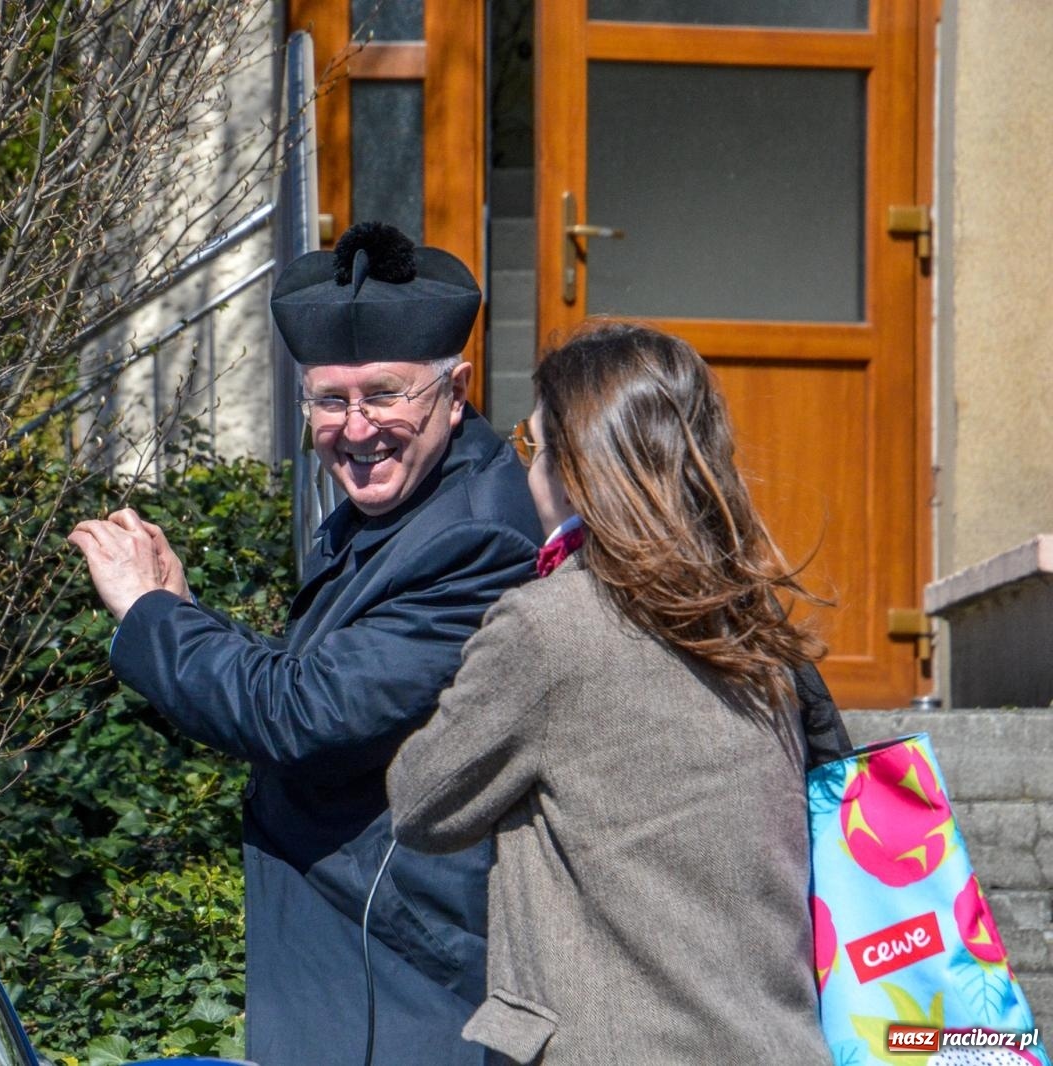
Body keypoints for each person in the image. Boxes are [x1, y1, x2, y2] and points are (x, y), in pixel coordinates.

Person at [68, 221, 541, 1066]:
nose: (357, 431)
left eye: (385, 395)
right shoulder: (404, 506)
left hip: (404, 971)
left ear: (454, 390)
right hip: (350, 949)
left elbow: (304, 714)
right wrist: (184, 613)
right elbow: (316, 678)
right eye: (331, 401)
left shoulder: (473, 540)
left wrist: (149, 613)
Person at [387, 320, 834, 1065]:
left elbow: (421, 801)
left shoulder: (549, 626)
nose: (522, 466)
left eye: (531, 445)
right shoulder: (755, 628)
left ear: (578, 469)